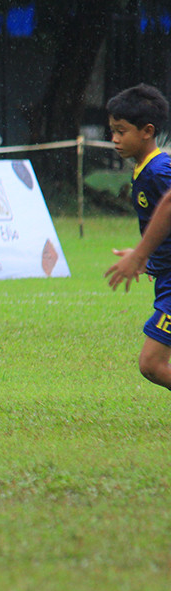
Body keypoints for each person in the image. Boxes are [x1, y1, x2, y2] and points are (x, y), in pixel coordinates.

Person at [103, 83, 171, 390]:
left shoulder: (160, 170)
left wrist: (141, 254)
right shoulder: (145, 170)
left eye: (121, 130)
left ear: (147, 131)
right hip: (165, 277)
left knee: (152, 364)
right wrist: (152, 257)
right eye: (112, 130)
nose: (115, 139)